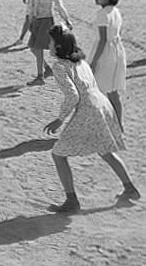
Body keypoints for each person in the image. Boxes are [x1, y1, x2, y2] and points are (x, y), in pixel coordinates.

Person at [43, 25, 140, 213]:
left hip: (88, 110)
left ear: (59, 47)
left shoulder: (60, 66)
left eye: (51, 42)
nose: (49, 45)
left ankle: (72, 201)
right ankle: (130, 188)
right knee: (105, 151)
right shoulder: (81, 62)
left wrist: (60, 120)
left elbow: (72, 96)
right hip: (102, 105)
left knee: (58, 154)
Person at [88, 0, 127, 131]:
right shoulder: (115, 11)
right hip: (117, 51)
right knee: (113, 91)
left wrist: (93, 62)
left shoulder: (102, 14)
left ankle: (101, 124)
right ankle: (118, 123)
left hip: (105, 54)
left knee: (98, 90)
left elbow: (103, 39)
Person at [25, 0, 72, 86]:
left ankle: (40, 76)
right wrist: (30, 20)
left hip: (46, 20)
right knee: (33, 47)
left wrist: (66, 19)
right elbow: (31, 4)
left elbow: (58, 4)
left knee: (39, 48)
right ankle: (47, 69)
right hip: (36, 20)